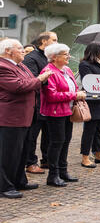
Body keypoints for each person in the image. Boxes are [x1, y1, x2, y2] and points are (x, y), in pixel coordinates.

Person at [0, 39, 52, 198]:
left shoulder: (20, 65)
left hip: (25, 115)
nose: (24, 51)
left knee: (21, 152)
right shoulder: (2, 66)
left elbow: (29, 81)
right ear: (8, 51)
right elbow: (19, 86)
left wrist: (39, 80)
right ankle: (4, 186)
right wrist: (40, 79)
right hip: (10, 117)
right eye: (20, 48)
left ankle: (19, 180)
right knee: (8, 153)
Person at [41, 43, 86, 187]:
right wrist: (74, 95)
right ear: (54, 57)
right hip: (55, 112)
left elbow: (74, 86)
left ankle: (63, 171)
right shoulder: (48, 71)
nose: (69, 56)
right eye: (65, 54)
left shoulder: (66, 70)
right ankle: (53, 175)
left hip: (68, 110)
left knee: (66, 141)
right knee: (56, 142)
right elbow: (51, 96)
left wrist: (76, 94)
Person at [22, 31, 58, 174]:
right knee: (32, 136)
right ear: (44, 42)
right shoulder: (31, 58)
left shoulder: (50, 58)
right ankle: (30, 163)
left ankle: (47, 159)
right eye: (54, 40)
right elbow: (33, 80)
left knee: (48, 134)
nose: (56, 42)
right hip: (36, 104)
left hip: (50, 104)